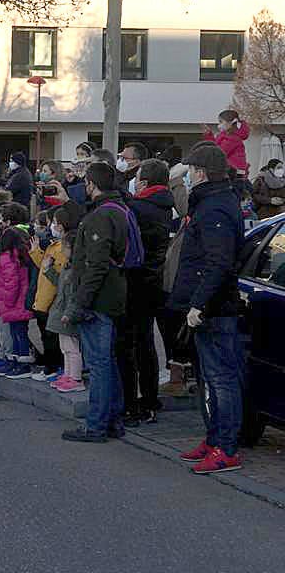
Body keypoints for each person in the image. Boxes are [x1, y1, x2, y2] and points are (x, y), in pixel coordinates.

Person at [171, 144, 246, 474]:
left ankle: (226, 447)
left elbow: (218, 262)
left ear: (200, 173)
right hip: (207, 307)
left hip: (215, 309)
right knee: (209, 379)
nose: (186, 178)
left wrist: (199, 303)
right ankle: (214, 438)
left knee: (221, 380)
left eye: (189, 172)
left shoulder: (215, 208)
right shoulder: (211, 203)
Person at [61, 162, 128, 443]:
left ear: (91, 183)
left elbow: (96, 265)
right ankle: (112, 418)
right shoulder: (120, 210)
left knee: (99, 365)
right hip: (109, 296)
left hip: (98, 300)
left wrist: (79, 303)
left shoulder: (101, 216)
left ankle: (97, 424)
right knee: (107, 362)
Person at [119, 158, 174, 425]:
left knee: (130, 344)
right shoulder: (166, 205)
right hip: (154, 280)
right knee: (146, 342)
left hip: (135, 280)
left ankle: (133, 405)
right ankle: (150, 399)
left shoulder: (140, 208)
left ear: (144, 182)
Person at [45, 203, 86, 392]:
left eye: (66, 247)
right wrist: (48, 271)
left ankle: (75, 378)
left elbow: (73, 295)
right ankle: (68, 374)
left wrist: (69, 313)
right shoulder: (68, 268)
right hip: (61, 311)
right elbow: (60, 284)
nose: (62, 250)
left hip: (67, 314)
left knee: (72, 347)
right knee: (65, 347)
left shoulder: (77, 270)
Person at [0, 227, 34, 378]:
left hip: (13, 302)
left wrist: (7, 301)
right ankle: (16, 361)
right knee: (17, 333)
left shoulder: (7, 257)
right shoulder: (18, 255)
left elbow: (12, 281)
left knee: (18, 333)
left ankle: (22, 364)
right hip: (16, 301)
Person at [28, 209, 64, 380]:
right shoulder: (53, 244)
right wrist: (35, 252)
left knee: (52, 338)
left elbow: (57, 276)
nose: (52, 226)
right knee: (46, 335)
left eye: (54, 223)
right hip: (43, 298)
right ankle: (51, 366)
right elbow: (43, 266)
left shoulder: (62, 246)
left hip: (52, 300)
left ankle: (53, 368)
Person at [202, 109, 250, 176]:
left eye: (221, 122)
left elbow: (219, 152)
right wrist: (209, 135)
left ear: (231, 122)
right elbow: (217, 147)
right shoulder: (225, 136)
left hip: (235, 174)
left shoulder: (233, 138)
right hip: (231, 171)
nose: (219, 125)